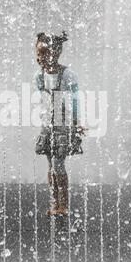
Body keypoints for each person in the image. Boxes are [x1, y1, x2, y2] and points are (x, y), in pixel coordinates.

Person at [33, 31, 87, 215]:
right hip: (47, 124)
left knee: (58, 164)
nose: (40, 57)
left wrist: (77, 121)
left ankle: (64, 204)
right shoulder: (39, 76)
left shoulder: (67, 75)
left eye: (44, 53)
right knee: (50, 165)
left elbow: (74, 99)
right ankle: (54, 203)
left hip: (63, 124)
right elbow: (43, 99)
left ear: (56, 53)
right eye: (38, 53)